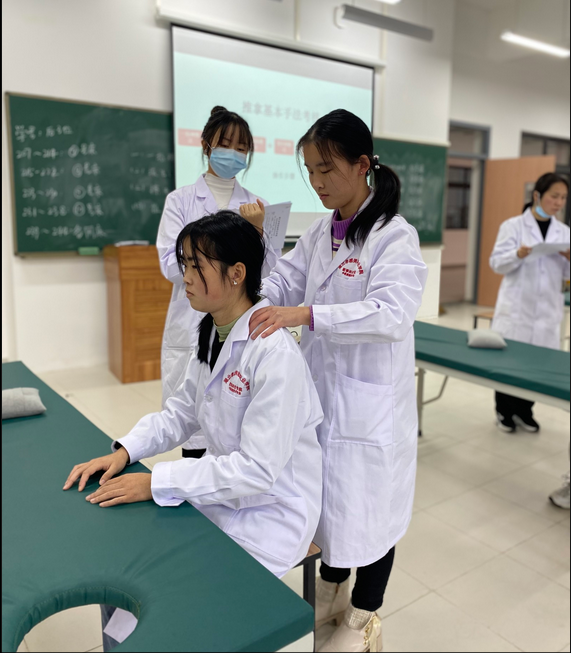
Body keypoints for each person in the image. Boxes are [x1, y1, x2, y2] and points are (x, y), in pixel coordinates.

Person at [63, 212, 323, 648]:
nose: (184, 276)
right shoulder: (212, 332)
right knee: (125, 578)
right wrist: (125, 451)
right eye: (184, 263)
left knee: (168, 604)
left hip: (272, 511)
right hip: (224, 494)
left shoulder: (274, 355)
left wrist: (156, 482)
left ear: (237, 273)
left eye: (196, 265)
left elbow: (257, 470)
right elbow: (181, 413)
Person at [249, 109, 428, 652]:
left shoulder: (394, 236)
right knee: (329, 504)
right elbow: (285, 279)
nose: (317, 181)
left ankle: (364, 615)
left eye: (326, 168)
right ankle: (330, 589)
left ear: (362, 164)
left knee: (370, 512)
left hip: (370, 408)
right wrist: (253, 292)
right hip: (324, 398)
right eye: (310, 170)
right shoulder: (320, 232)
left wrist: (307, 315)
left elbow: (391, 314)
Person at [157, 106, 280, 459]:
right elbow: (169, 263)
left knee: (235, 430)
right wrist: (216, 258)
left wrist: (257, 233)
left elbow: (269, 272)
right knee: (192, 426)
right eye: (226, 144)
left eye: (242, 148)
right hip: (191, 322)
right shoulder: (180, 200)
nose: (234, 154)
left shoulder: (257, 206)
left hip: (236, 325)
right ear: (206, 145)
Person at [490, 173, 570, 434]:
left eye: (563, 198)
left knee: (537, 366)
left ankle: (525, 411)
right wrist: (518, 254)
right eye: (554, 196)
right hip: (517, 310)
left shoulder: (564, 233)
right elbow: (496, 264)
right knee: (510, 363)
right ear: (537, 195)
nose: (559, 203)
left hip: (547, 312)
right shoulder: (513, 226)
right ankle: (504, 411)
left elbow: (567, 279)